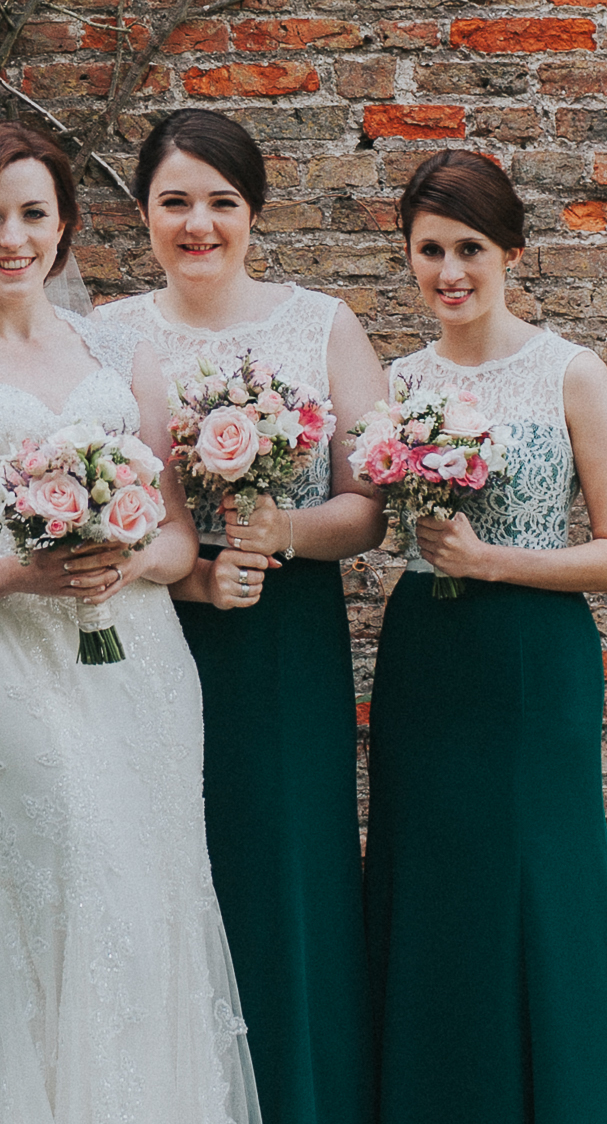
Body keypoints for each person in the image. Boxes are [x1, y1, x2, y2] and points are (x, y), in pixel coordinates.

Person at [0, 120, 262, 1124]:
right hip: (14, 668)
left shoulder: (116, 351)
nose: (13, 238)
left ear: (65, 228)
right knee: (67, 887)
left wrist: (124, 557)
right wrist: (15, 574)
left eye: (33, 215)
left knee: (150, 896)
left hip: (139, 660)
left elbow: (179, 544)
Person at [94, 108, 387, 1124]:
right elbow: (98, 506)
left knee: (287, 867)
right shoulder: (109, 336)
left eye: (220, 202)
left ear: (252, 211)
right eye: (174, 202)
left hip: (283, 637)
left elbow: (367, 507)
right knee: (167, 869)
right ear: (143, 213)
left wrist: (281, 531)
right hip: (155, 633)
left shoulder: (322, 325)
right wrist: (187, 579)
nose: (198, 224)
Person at [363, 149, 607, 1124]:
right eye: (428, 250)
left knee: (542, 872)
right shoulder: (396, 382)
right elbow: (365, 519)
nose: (447, 270)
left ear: (511, 252)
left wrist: (490, 564)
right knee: (431, 874)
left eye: (468, 248)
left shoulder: (569, 373)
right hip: (426, 654)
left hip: (534, 661)